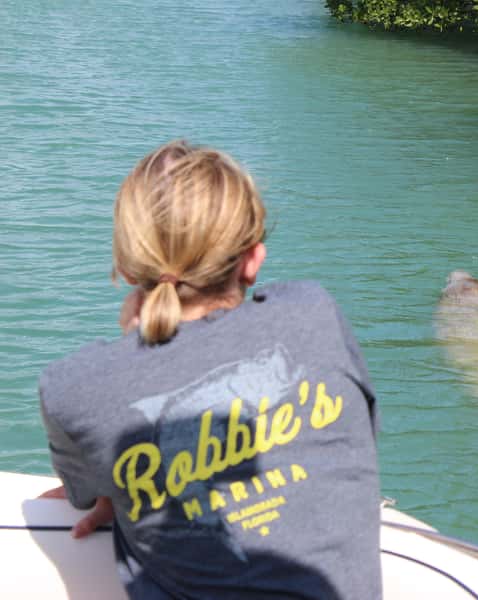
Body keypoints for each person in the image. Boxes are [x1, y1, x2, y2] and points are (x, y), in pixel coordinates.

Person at [38, 140, 382, 599]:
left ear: (122, 267)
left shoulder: (73, 389)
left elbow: (83, 491)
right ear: (253, 260)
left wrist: (129, 479)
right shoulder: (314, 313)